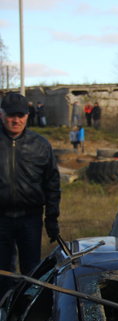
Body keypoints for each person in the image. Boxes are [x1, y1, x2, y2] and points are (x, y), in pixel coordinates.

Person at [0, 92, 61, 294]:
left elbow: (52, 183)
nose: (15, 120)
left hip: (30, 219)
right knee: (3, 273)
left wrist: (51, 218)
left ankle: (27, 313)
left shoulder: (41, 146)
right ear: (1, 114)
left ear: (27, 115)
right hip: (1, 220)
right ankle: (3, 315)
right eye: (10, 115)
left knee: (32, 272)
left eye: (20, 115)